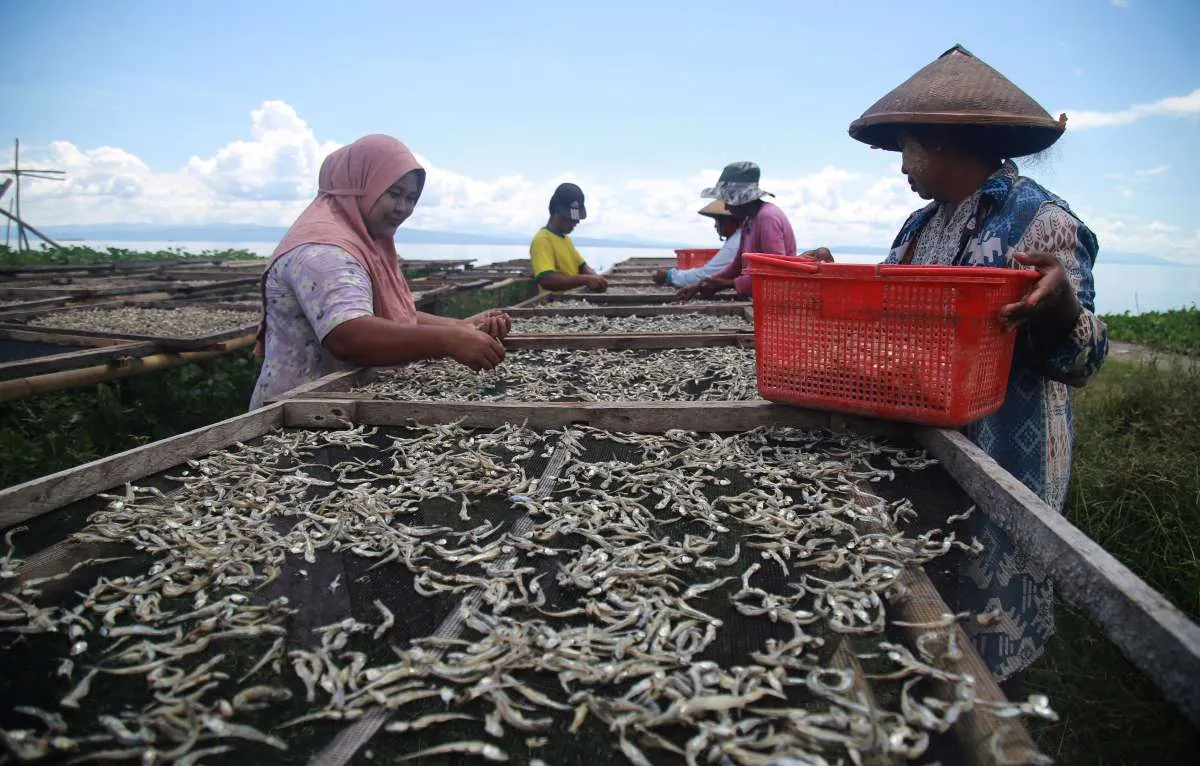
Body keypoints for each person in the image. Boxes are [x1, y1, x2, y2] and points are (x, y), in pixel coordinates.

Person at [803, 44, 1108, 682]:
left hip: (1005, 458)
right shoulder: (919, 227)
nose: (903, 166)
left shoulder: (1043, 223)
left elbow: (1085, 360)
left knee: (991, 612)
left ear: (943, 140)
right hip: (922, 447)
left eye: (909, 147)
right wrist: (830, 285)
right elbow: (889, 327)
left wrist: (1059, 308)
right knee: (926, 601)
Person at [249, 134, 511, 409]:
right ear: (358, 187)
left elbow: (377, 315)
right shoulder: (323, 251)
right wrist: (447, 340)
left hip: (335, 408)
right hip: (293, 414)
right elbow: (349, 335)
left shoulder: (360, 239)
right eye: (394, 194)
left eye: (411, 198)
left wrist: (461, 327)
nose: (403, 208)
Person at [676, 162, 805, 301]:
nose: (725, 207)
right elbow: (737, 265)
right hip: (764, 298)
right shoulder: (749, 220)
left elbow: (775, 273)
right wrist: (704, 283)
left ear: (741, 199)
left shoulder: (767, 217)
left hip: (779, 299)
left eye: (727, 200)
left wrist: (726, 285)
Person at [530, 183, 608, 293]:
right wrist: (586, 279)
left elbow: (582, 266)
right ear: (557, 211)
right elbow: (546, 280)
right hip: (553, 305)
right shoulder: (543, 240)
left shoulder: (566, 240)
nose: (576, 221)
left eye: (577, 218)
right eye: (571, 218)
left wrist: (597, 279)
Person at [652, 200, 744, 288]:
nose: (715, 226)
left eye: (718, 221)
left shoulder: (735, 242)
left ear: (730, 221)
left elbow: (707, 275)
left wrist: (670, 276)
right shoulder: (739, 237)